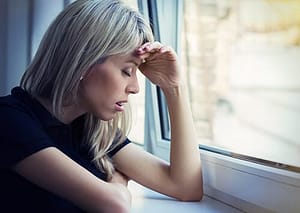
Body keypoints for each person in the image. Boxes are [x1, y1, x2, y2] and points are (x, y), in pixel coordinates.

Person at [0, 0, 203, 212]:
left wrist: (173, 87)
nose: (135, 88)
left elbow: (186, 187)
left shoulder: (90, 130)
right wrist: (117, 179)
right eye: (126, 71)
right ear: (84, 61)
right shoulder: (8, 120)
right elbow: (115, 205)